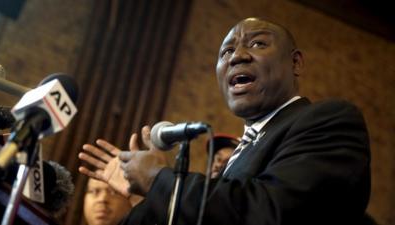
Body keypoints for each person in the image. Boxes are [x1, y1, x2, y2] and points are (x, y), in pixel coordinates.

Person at [79, 17, 371, 225]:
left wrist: (161, 181)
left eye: (256, 44)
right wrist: (147, 198)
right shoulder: (232, 164)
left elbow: (269, 213)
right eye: (227, 52)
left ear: (295, 63)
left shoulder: (329, 121)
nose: (237, 57)